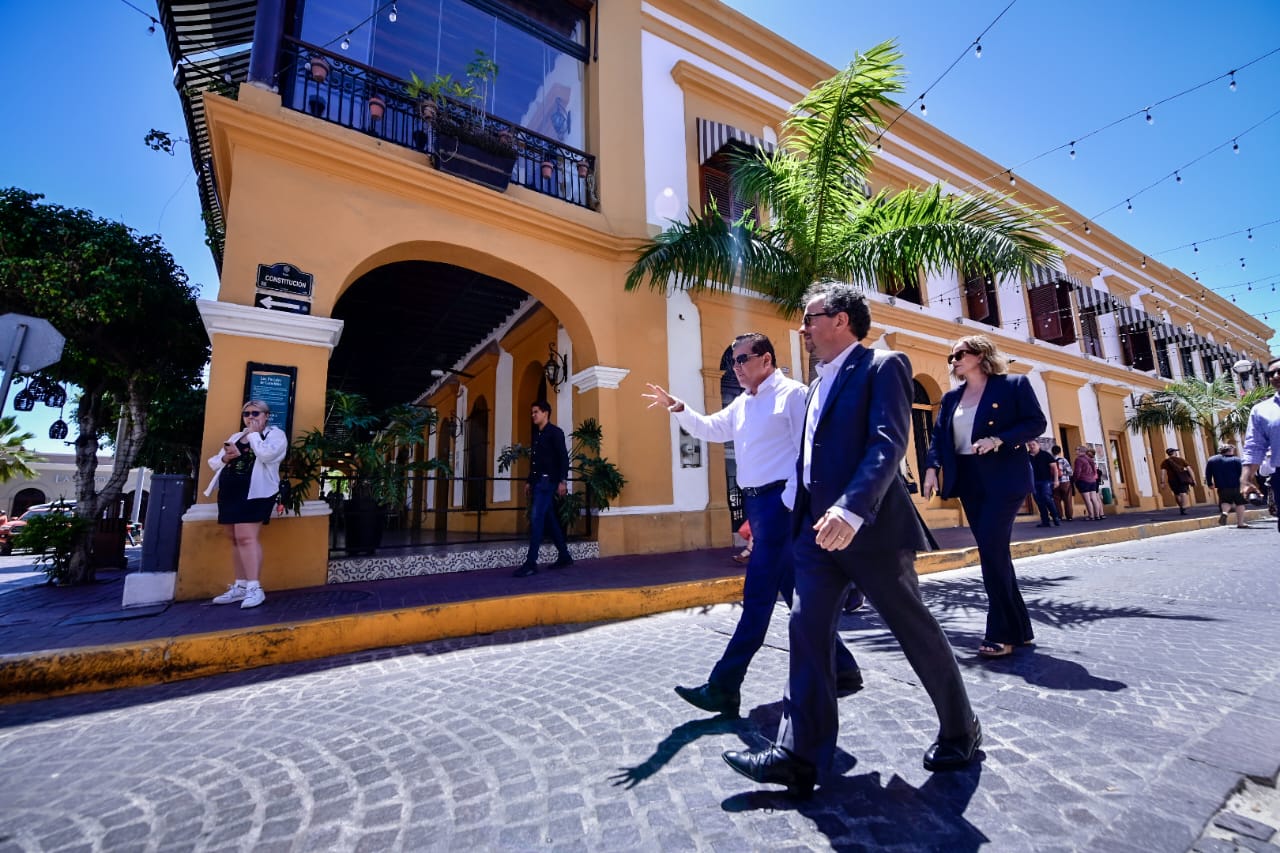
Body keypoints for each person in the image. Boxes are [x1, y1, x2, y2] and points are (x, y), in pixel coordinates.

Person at [722, 283, 979, 798]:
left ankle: (961, 728)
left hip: (872, 531)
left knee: (913, 629)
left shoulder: (884, 366)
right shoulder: (814, 387)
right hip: (817, 536)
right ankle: (800, 755)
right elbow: (808, 463)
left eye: (810, 317)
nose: (803, 327)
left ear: (841, 320)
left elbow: (889, 442)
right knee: (805, 631)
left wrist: (852, 507)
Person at [644, 333, 861, 717]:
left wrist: (788, 501)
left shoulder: (793, 394)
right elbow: (711, 429)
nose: (736, 367)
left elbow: (806, 451)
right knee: (795, 595)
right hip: (759, 505)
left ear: (766, 359)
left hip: (781, 505)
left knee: (757, 598)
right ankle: (844, 669)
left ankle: (724, 685)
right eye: (732, 361)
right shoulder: (742, 403)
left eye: (742, 359)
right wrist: (679, 408)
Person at [922, 334, 1046, 658]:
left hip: (1004, 479)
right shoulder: (951, 398)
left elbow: (1036, 422)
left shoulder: (1013, 385)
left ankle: (1001, 632)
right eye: (951, 357)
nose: (954, 361)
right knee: (995, 553)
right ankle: (1021, 630)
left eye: (959, 354)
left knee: (991, 552)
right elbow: (939, 437)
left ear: (980, 354)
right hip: (969, 481)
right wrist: (932, 467)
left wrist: (998, 439)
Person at [204, 400, 288, 609]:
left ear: (266, 415)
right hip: (231, 491)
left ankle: (254, 588)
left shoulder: (275, 435)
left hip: (257, 492)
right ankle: (240, 586)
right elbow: (214, 462)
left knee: (246, 537)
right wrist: (225, 457)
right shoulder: (235, 437)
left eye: (256, 413)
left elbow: (267, 455)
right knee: (234, 538)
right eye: (246, 414)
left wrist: (253, 435)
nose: (251, 417)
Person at [513, 401, 574, 577]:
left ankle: (531, 563)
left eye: (536, 412)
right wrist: (529, 481)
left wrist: (563, 481)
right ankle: (564, 556)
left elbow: (563, 458)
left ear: (545, 413)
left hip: (549, 482)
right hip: (538, 482)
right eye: (532, 412)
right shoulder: (537, 434)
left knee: (537, 518)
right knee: (549, 520)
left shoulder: (555, 433)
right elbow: (535, 462)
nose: (533, 415)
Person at [1241, 356, 1280, 534]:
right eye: (1271, 373)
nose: (1276, 376)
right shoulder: (1261, 410)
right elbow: (1254, 446)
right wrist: (1246, 479)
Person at [1204, 443, 1248, 529]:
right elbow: (1242, 473)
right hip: (1237, 486)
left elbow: (1208, 473)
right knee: (1240, 503)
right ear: (1230, 450)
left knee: (1225, 501)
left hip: (1222, 486)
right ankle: (1240, 523)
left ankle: (1225, 513)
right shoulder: (1236, 460)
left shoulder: (1212, 460)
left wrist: (1209, 483)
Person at [1027, 439, 1061, 528]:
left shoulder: (1045, 455)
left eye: (1033, 444)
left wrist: (1056, 480)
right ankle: (1045, 521)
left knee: (1046, 497)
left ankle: (1055, 517)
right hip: (1033, 482)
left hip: (1046, 481)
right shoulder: (1026, 456)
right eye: (1029, 445)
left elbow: (1054, 468)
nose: (1031, 446)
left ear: (1038, 445)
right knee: (1039, 501)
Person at [1159, 447, 1195, 515]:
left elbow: (1163, 473)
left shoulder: (1165, 462)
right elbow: (1189, 469)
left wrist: (1162, 482)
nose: (1176, 453)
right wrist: (1193, 479)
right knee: (1183, 493)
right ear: (1174, 453)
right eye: (1175, 452)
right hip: (1182, 478)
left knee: (1177, 494)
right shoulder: (1181, 460)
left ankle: (1180, 506)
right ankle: (1183, 507)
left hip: (1172, 480)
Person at [1073, 445, 1105, 520]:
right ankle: (1097, 515)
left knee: (1087, 499)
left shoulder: (1079, 459)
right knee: (1094, 498)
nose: (1075, 451)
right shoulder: (1090, 459)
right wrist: (1093, 477)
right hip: (1092, 481)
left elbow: (1077, 471)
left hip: (1083, 480)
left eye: (1077, 449)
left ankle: (1091, 515)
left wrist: (1074, 479)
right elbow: (1095, 470)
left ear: (1081, 451)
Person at [1051, 444, 1074, 521]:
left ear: (1052, 452)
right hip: (1065, 482)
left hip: (1054, 482)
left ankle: (1059, 516)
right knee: (1067, 500)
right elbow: (1070, 472)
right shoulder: (1063, 460)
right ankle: (1069, 516)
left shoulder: (1050, 460)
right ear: (1060, 452)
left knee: (1056, 500)